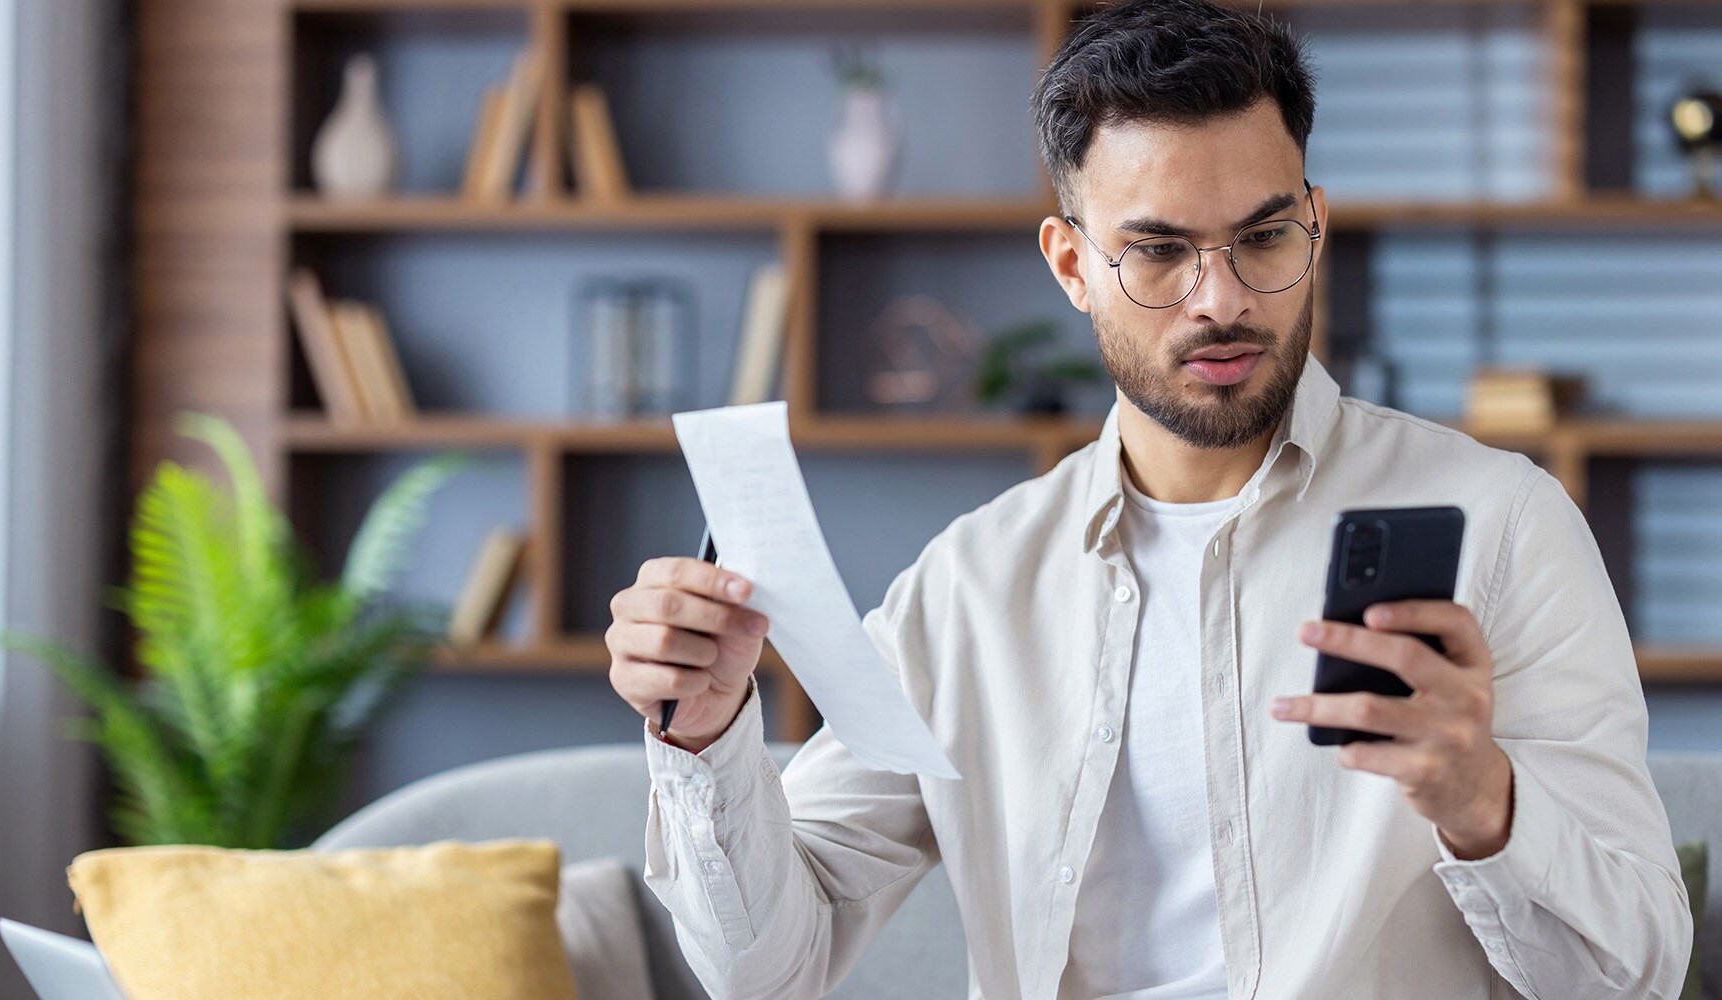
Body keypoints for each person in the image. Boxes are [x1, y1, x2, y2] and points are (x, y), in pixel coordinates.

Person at [601, 0, 1695, 996]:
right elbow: (765, 971)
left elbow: (1637, 973)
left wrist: (1483, 804)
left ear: (1315, 223)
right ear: (1072, 266)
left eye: (1263, 237)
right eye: (1159, 252)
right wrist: (705, 739)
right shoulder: (971, 589)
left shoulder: (1501, 527)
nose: (1221, 300)